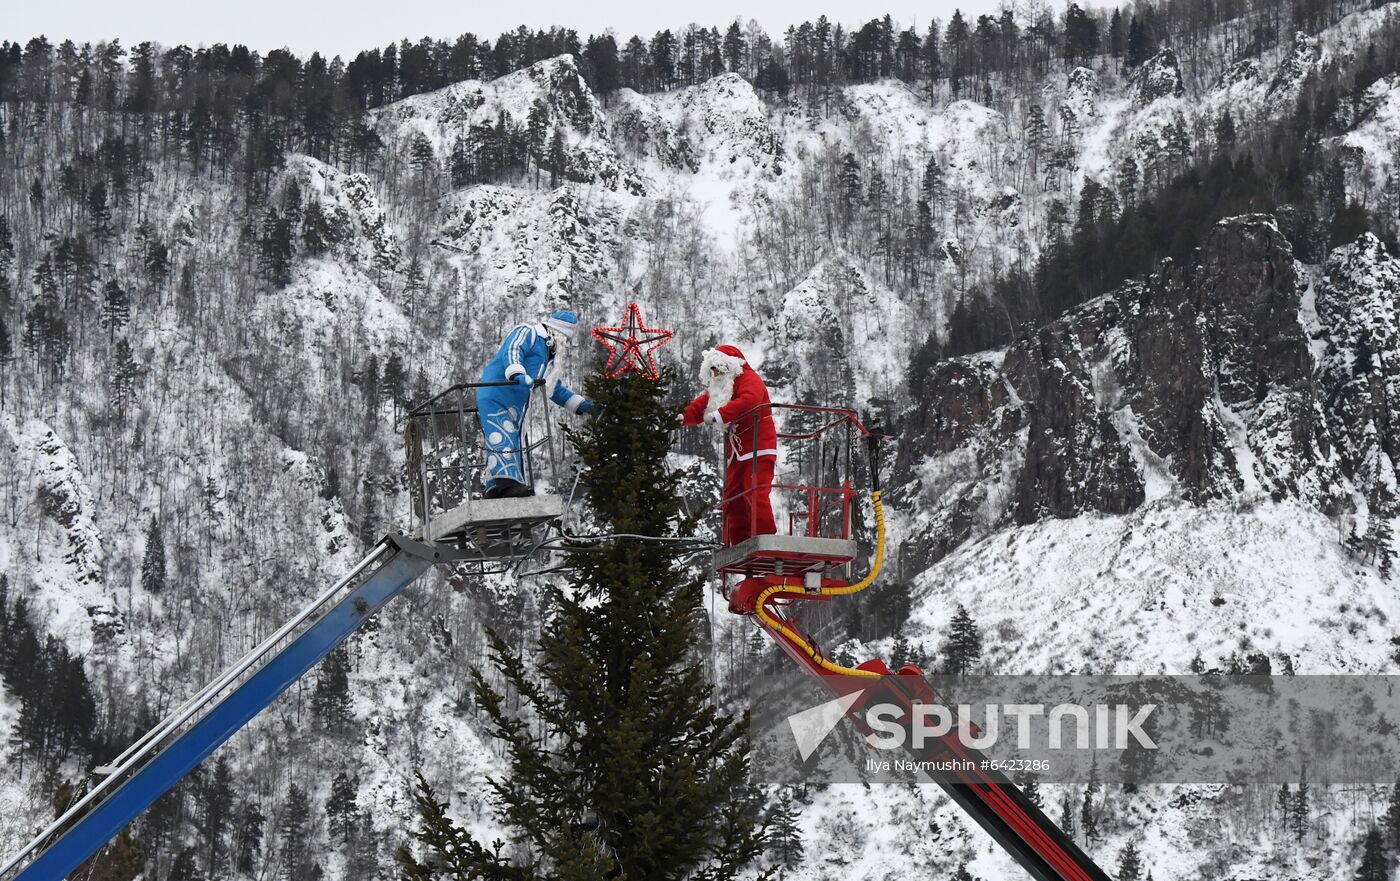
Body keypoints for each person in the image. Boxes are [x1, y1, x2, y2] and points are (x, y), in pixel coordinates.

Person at [478, 309, 593, 499]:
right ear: (556, 334)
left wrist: (580, 405)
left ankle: (494, 487)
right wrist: (517, 373)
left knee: (511, 440)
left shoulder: (548, 360)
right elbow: (513, 349)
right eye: (564, 339)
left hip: (517, 404)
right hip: (496, 392)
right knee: (502, 435)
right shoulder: (529, 332)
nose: (564, 345)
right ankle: (507, 485)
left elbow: (552, 387)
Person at [683, 345, 778, 545]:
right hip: (737, 454)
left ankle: (766, 540)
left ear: (728, 365)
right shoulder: (722, 388)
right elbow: (701, 406)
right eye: (712, 370)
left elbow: (749, 400)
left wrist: (720, 415)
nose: (715, 374)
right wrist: (680, 417)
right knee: (733, 499)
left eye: (717, 368)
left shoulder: (749, 379)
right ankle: (739, 543)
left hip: (758, 448)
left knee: (756, 493)